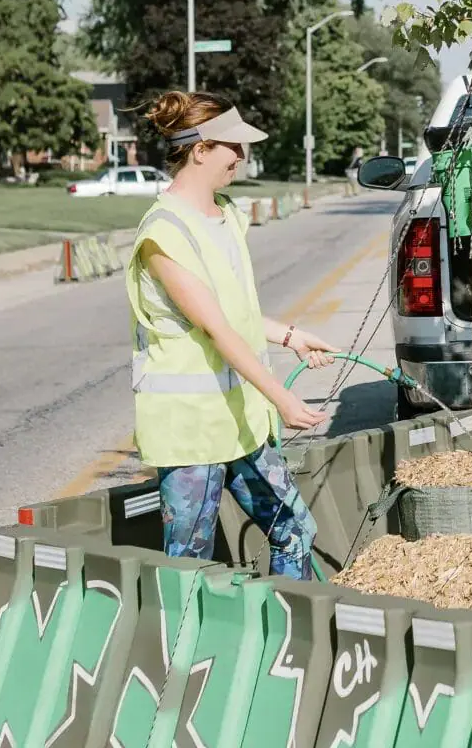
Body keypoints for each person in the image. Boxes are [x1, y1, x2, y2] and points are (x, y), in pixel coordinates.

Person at [127, 90, 341, 579]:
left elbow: (237, 315)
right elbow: (215, 327)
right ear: (200, 149)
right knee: (190, 566)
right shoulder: (164, 233)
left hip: (241, 420)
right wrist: (284, 400)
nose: (242, 157)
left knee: (295, 531)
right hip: (191, 432)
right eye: (233, 147)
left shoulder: (224, 216)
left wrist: (291, 335)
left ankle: (292, 642)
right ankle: (188, 657)